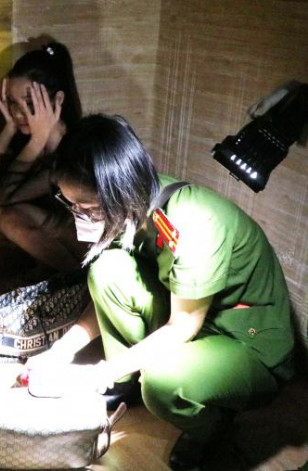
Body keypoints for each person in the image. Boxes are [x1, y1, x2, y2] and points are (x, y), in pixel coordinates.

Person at [29, 114, 295, 470]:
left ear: (118, 191)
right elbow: (109, 293)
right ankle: (124, 382)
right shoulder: (136, 206)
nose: (80, 215)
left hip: (246, 343)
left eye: (88, 208)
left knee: (160, 382)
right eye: (71, 204)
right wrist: (60, 351)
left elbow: (183, 326)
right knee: (107, 269)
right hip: (191, 315)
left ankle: (210, 429)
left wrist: (96, 374)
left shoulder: (193, 223)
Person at [0, 41, 88, 273]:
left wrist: (37, 140)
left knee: (11, 213)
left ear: (57, 100)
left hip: (91, 245)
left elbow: (4, 198)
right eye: (13, 103)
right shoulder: (25, 138)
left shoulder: (75, 144)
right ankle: (57, 273)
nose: (19, 113)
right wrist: (9, 128)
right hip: (58, 235)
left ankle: (74, 280)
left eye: (29, 103)